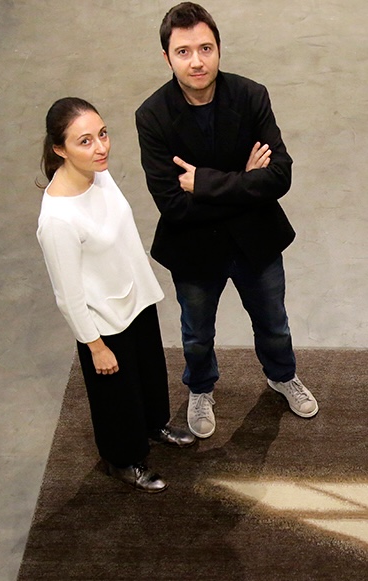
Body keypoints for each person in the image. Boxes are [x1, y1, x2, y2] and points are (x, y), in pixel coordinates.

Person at [135, 2, 318, 439]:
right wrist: (246, 182)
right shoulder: (152, 116)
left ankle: (282, 376)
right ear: (167, 57)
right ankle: (200, 388)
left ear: (218, 48)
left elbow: (280, 175)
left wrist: (204, 183)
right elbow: (173, 205)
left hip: (256, 240)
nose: (197, 61)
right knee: (197, 335)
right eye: (183, 52)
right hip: (194, 246)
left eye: (205, 48)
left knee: (274, 323)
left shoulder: (251, 96)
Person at [36, 97, 195, 493]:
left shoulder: (98, 174)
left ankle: (155, 425)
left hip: (134, 298)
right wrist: (95, 346)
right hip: (104, 322)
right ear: (59, 149)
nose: (101, 147)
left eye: (103, 134)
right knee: (116, 399)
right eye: (85, 141)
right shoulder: (57, 220)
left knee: (150, 373)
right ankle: (123, 460)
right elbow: (67, 294)